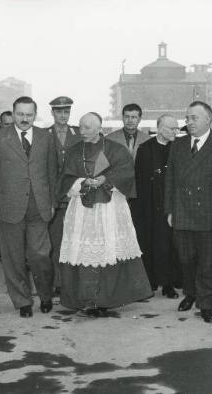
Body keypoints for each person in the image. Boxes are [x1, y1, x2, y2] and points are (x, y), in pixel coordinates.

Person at [58, 112, 152, 316]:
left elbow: (127, 174)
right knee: (83, 252)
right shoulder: (74, 151)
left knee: (110, 250)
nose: (82, 131)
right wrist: (81, 182)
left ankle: (108, 299)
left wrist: (105, 180)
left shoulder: (115, 149)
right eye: (81, 127)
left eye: (88, 127)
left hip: (110, 209)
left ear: (99, 128)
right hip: (82, 211)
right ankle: (85, 299)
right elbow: (65, 178)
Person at [0, 96, 57, 318]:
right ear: (13, 114)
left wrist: (52, 202)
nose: (24, 119)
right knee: (13, 258)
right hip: (8, 208)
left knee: (40, 255)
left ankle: (45, 295)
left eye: (29, 115)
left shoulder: (45, 137)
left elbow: (52, 173)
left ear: (35, 114)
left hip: (39, 207)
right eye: (20, 114)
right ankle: (22, 300)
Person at [165, 101, 212, 323]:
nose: (189, 122)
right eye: (187, 118)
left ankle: (205, 303)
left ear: (209, 119)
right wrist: (169, 210)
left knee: (208, 262)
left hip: (210, 215)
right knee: (186, 259)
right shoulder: (178, 146)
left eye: (194, 118)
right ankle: (191, 293)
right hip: (182, 213)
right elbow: (170, 180)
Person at [135, 114, 182, 298]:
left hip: (172, 206)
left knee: (170, 246)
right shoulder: (145, 149)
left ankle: (169, 284)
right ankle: (151, 282)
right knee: (150, 244)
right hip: (150, 207)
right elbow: (140, 180)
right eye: (172, 128)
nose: (175, 132)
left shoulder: (179, 148)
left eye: (177, 128)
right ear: (160, 128)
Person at [46, 96, 82, 296]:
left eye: (66, 112)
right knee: (56, 242)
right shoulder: (44, 135)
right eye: (59, 111)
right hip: (55, 199)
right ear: (52, 113)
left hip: (75, 198)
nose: (63, 115)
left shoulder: (78, 133)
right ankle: (59, 283)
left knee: (76, 241)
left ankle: (74, 282)